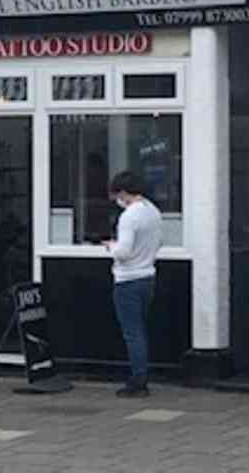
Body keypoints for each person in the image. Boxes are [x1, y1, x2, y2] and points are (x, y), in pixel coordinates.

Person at [103, 170, 162, 398]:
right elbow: (159, 241)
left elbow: (125, 251)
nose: (117, 200)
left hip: (127, 280)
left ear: (125, 192)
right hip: (148, 276)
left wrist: (111, 247)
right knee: (140, 330)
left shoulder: (129, 216)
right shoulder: (153, 211)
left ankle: (138, 381)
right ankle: (141, 375)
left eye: (118, 195)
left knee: (132, 333)